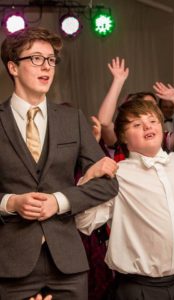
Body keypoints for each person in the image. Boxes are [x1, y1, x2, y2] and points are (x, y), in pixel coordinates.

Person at [0, 27, 118, 300]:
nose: (47, 67)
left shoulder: (71, 118)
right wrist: (11, 203)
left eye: (51, 60)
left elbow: (110, 184)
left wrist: (60, 201)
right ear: (13, 67)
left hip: (68, 263)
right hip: (10, 265)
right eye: (36, 59)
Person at [76, 99, 174, 300]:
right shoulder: (118, 175)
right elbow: (84, 222)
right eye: (137, 124)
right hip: (139, 287)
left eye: (153, 121)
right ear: (123, 137)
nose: (147, 126)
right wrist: (89, 176)